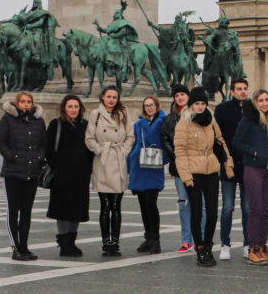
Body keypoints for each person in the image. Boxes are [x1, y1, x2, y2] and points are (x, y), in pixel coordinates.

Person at [175, 87, 234, 267]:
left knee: (212, 211)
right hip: (193, 171)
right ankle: (199, 246)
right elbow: (180, 151)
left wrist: (228, 164)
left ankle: (208, 244)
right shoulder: (183, 123)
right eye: (197, 104)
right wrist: (186, 176)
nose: (200, 107)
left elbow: (221, 141)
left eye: (202, 104)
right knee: (197, 211)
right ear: (191, 105)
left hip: (211, 170)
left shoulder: (211, 120)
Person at [233, 89, 268, 266]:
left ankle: (262, 246)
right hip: (254, 168)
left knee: (267, 210)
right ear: (255, 102)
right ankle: (253, 248)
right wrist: (253, 152)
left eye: (267, 100)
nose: (264, 103)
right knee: (256, 209)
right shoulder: (248, 120)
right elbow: (236, 143)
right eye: (261, 100)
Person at [0, 91, 46, 261]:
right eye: (23, 101)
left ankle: (24, 246)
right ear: (17, 103)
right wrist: (12, 157)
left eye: (29, 101)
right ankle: (15, 246)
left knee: (26, 211)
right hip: (12, 172)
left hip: (31, 172)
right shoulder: (7, 119)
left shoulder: (38, 121)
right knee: (13, 210)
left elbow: (43, 144)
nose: (26, 104)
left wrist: (39, 158)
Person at [85, 86, 133, 257]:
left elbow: (130, 137)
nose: (112, 99)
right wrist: (100, 150)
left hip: (118, 160)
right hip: (103, 161)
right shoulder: (95, 114)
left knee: (116, 205)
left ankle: (116, 241)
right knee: (105, 205)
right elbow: (89, 138)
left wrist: (123, 151)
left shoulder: (124, 113)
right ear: (103, 98)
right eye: (109, 96)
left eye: (114, 96)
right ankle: (106, 241)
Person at [45, 94, 93, 257]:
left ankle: (72, 240)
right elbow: (48, 148)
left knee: (77, 208)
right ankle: (64, 242)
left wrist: (88, 168)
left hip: (81, 175)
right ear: (64, 108)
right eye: (70, 106)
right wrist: (58, 167)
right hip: (62, 175)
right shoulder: (56, 124)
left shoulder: (86, 125)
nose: (73, 109)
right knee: (63, 209)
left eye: (76, 106)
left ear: (80, 109)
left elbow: (90, 148)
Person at [214, 78, 250, 261]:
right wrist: (223, 157)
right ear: (232, 91)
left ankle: (247, 244)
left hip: (248, 165)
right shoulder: (222, 109)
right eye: (239, 89)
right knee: (228, 207)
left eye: (245, 89)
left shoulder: (252, 109)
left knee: (247, 208)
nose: (243, 91)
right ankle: (225, 244)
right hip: (228, 164)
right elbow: (217, 137)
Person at [161, 84, 200, 253]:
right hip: (179, 166)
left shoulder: (198, 114)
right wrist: (175, 155)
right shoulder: (170, 118)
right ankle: (186, 239)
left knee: (200, 203)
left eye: (183, 94)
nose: (180, 97)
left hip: (197, 165)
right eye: (177, 95)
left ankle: (202, 237)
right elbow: (165, 139)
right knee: (184, 202)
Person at [126, 96, 167, 255]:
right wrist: (129, 163)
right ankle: (148, 237)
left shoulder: (163, 122)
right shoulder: (138, 124)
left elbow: (168, 142)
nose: (149, 108)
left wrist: (165, 158)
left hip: (153, 166)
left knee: (151, 203)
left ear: (157, 106)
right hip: (139, 166)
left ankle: (156, 239)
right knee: (143, 205)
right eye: (146, 106)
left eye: (152, 105)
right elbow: (134, 144)